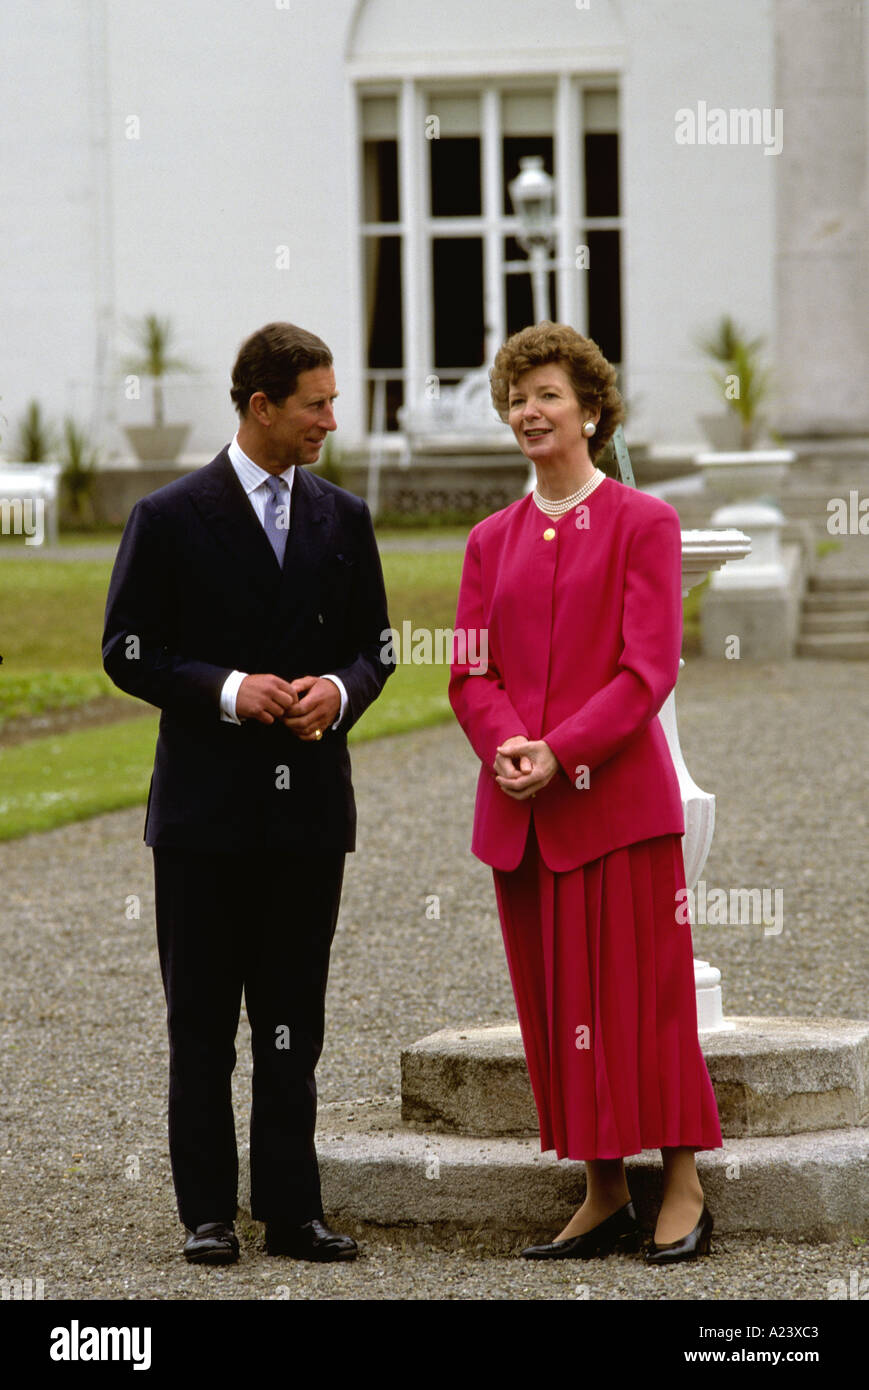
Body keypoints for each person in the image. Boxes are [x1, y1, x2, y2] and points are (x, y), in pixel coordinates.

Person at [102, 321, 394, 1265]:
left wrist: (339, 691)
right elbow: (128, 650)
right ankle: (208, 1216)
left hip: (307, 811)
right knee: (202, 1026)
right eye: (316, 402)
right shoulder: (170, 516)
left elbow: (376, 649)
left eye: (332, 400)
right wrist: (230, 690)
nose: (330, 419)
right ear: (261, 406)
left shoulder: (343, 518)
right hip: (203, 817)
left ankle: (292, 1211)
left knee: (290, 1024)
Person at [449, 321, 722, 1265]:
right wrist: (506, 747)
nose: (528, 410)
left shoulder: (644, 522)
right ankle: (603, 1188)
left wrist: (559, 750)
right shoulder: (490, 539)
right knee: (554, 1001)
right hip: (522, 814)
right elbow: (467, 672)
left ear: (591, 411)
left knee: (645, 998)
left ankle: (681, 1181)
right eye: (517, 398)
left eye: (548, 395)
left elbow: (646, 671)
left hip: (616, 807)